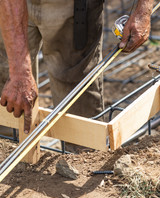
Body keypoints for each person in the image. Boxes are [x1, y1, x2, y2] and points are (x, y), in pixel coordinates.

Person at [0, 0, 154, 136]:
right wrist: (20, 72)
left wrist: (143, 10)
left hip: (74, 8)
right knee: (10, 86)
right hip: (12, 5)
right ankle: (9, 147)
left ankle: (80, 159)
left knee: (76, 102)